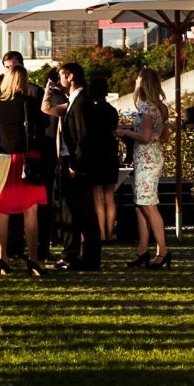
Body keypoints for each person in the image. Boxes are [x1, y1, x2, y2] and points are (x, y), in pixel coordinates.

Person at [0, 54, 48, 276]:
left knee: (1, 212)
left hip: (5, 161)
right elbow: (43, 126)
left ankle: (2, 257)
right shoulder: (31, 104)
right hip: (28, 160)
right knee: (30, 213)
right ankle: (33, 259)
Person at [62, 66, 122, 250]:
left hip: (97, 154)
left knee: (97, 197)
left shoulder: (88, 108)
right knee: (110, 195)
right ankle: (109, 232)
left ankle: (100, 233)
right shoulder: (111, 110)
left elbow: (86, 135)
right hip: (111, 152)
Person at [43, 64, 95, 271]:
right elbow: (46, 109)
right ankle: (75, 255)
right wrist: (48, 91)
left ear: (71, 77)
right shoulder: (74, 101)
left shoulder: (81, 102)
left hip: (74, 164)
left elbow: (82, 136)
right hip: (69, 161)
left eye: (61, 77)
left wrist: (75, 163)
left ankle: (87, 257)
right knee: (72, 211)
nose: (59, 81)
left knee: (82, 212)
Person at [119, 68, 171, 269]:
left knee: (148, 204)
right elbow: (163, 137)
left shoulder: (146, 108)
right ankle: (142, 249)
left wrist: (125, 132)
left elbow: (146, 137)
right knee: (141, 203)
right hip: (151, 156)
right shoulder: (159, 107)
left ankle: (162, 250)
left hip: (146, 158)